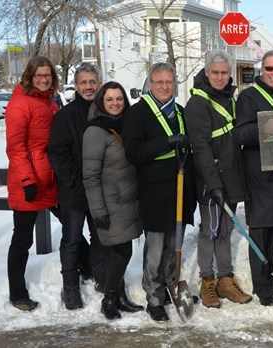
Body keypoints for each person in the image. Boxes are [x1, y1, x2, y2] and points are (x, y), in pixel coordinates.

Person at [123, 62, 196, 322]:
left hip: (180, 189)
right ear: (150, 84)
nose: (165, 87)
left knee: (174, 245)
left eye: (169, 82)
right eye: (159, 82)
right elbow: (133, 153)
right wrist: (166, 142)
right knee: (155, 248)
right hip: (155, 191)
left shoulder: (180, 111)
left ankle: (169, 286)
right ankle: (154, 297)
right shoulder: (138, 113)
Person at [185, 50, 251, 309]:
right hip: (210, 180)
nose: (221, 77)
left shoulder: (228, 98)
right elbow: (201, 148)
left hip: (231, 176)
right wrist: (213, 185)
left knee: (226, 229)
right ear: (207, 72)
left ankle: (225, 278)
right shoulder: (198, 103)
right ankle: (207, 281)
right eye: (216, 73)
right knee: (210, 231)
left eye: (225, 72)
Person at [234, 50, 273, 306]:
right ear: (261, 69)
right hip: (259, 174)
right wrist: (263, 126)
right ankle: (262, 288)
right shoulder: (248, 96)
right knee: (259, 232)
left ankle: (268, 280)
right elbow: (240, 133)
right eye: (269, 69)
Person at [82, 82, 144, 320]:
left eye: (119, 99)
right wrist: (98, 210)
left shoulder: (125, 126)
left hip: (128, 201)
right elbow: (90, 176)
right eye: (110, 99)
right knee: (121, 252)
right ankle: (109, 299)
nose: (115, 103)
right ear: (101, 102)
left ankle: (118, 296)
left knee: (121, 251)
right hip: (111, 202)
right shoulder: (95, 132)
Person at [48, 63, 108, 310]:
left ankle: (102, 278)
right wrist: (76, 179)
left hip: (101, 190)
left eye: (92, 81)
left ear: (99, 84)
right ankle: (70, 286)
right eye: (83, 82)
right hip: (73, 189)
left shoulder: (108, 113)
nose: (88, 86)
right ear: (76, 85)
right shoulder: (65, 116)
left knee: (101, 237)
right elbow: (57, 152)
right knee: (71, 239)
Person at [5, 56, 60, 311]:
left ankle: (86, 270)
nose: (43, 79)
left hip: (49, 178)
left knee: (71, 225)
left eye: (47, 75)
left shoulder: (48, 101)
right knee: (22, 240)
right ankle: (17, 293)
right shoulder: (20, 104)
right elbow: (16, 149)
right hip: (29, 182)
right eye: (39, 75)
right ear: (29, 76)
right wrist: (28, 180)